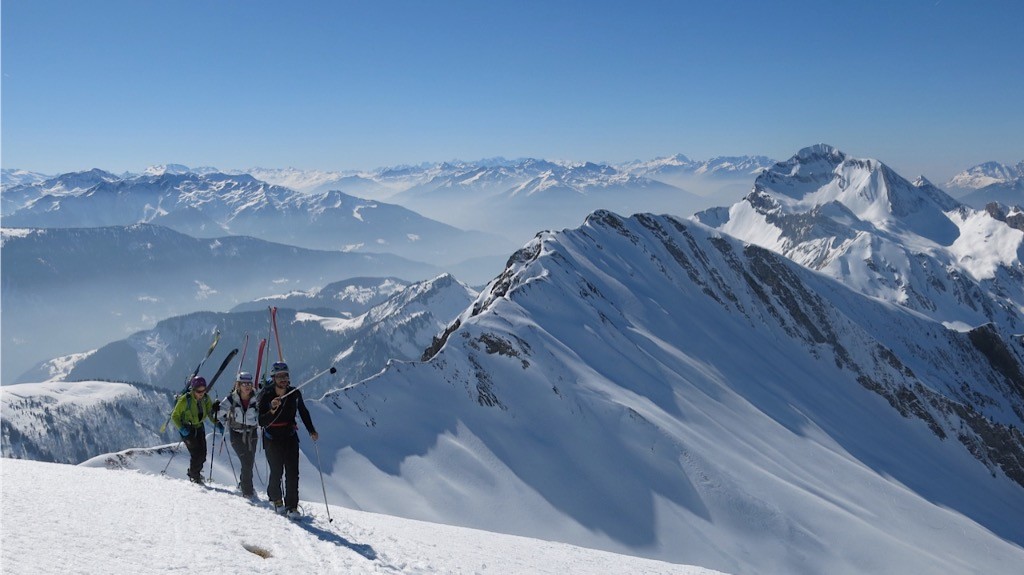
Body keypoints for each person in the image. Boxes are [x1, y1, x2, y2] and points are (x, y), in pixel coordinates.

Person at [258, 361, 318, 517]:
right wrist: (272, 409)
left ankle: (292, 506)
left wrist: (311, 430)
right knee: (276, 471)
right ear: (273, 378)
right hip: (272, 438)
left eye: (285, 375)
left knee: (292, 472)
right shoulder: (266, 395)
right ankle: (276, 499)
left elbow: (303, 412)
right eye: (279, 376)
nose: (283, 379)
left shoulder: (294, 393)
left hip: (290, 436)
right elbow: (261, 421)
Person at [171, 376, 222, 484]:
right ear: (193, 390)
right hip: (187, 429)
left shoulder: (206, 399)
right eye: (199, 391)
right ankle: (194, 476)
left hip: (199, 427)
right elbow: (174, 416)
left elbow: (209, 413)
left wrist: (217, 424)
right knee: (196, 453)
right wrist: (181, 428)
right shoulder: (185, 400)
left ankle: (195, 473)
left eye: (203, 390)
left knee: (202, 455)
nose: (201, 393)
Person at [217, 372, 260, 497]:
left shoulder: (257, 398)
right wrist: (225, 422)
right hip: (236, 434)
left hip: (252, 433)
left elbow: (263, 412)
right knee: (246, 461)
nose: (247, 386)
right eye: (244, 384)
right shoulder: (231, 399)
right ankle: (247, 491)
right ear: (238, 385)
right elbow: (219, 412)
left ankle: (244, 484)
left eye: (249, 384)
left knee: (249, 462)